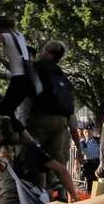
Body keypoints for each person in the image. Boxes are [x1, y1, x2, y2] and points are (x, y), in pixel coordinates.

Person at [26, 40, 74, 176]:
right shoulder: (60, 73)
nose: (42, 52)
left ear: (49, 54)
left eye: (44, 50)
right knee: (57, 160)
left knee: (35, 155)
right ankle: (61, 192)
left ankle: (39, 190)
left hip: (42, 118)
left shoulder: (38, 67)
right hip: (61, 121)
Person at [0, 17, 37, 124]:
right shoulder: (19, 35)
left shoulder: (6, 37)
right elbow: (16, 63)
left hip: (19, 80)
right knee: (8, 111)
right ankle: (28, 138)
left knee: (0, 110)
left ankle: (25, 138)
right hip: (27, 79)